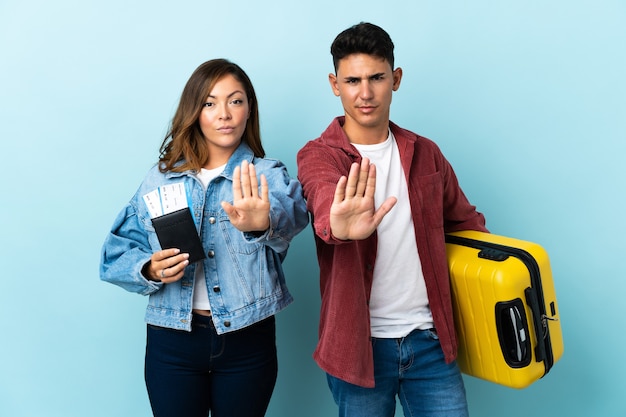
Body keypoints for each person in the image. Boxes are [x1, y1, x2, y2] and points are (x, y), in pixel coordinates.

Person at [296, 23, 488, 417]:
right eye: (352, 80)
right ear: (335, 84)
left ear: (395, 79)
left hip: (431, 343)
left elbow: (468, 226)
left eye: (376, 78)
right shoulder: (320, 156)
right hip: (359, 348)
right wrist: (338, 226)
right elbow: (322, 198)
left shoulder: (426, 153)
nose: (364, 93)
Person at [100, 58, 309, 417]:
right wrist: (149, 268)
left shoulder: (266, 174)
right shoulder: (160, 179)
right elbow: (116, 253)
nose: (224, 113)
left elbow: (296, 215)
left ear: (248, 111)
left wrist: (264, 221)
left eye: (236, 100)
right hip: (172, 341)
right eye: (210, 103)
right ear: (195, 112)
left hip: (248, 337)